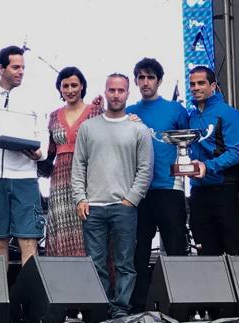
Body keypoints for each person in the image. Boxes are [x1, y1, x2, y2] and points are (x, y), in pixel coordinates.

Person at [72, 73, 153, 318]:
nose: (116, 95)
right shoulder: (88, 127)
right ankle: (100, 308)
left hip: (124, 207)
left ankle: (120, 311)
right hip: (92, 208)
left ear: (128, 93)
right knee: (96, 264)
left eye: (121, 91)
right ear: (104, 92)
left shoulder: (139, 129)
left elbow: (145, 168)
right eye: (111, 90)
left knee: (125, 264)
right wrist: (80, 198)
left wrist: (131, 200)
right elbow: (79, 166)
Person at [125, 58, 189, 313]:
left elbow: (187, 145)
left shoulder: (176, 110)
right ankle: (138, 307)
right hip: (139, 192)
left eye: (150, 77)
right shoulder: (129, 111)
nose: (145, 82)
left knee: (175, 248)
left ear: (159, 80)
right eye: (140, 77)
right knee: (138, 252)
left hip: (170, 188)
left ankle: (180, 304)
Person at [0, 45, 48, 269]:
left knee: (28, 239)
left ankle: (31, 299)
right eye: (15, 67)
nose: (21, 71)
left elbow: (43, 136)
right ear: (1, 68)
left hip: (25, 178)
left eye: (23, 67)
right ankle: (2, 300)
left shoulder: (33, 99)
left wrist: (39, 153)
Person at [45, 66, 104, 256]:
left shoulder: (96, 111)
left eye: (74, 85)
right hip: (60, 180)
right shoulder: (54, 115)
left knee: (88, 227)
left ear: (82, 87)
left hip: (88, 177)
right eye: (65, 86)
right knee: (63, 229)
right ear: (59, 89)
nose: (70, 90)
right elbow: (50, 151)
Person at [188, 66, 239, 256]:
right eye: (192, 84)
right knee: (206, 256)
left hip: (226, 192)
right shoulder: (192, 116)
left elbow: (236, 152)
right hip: (199, 193)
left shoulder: (229, 114)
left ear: (212, 85)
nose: (196, 87)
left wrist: (208, 166)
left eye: (201, 83)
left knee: (234, 253)